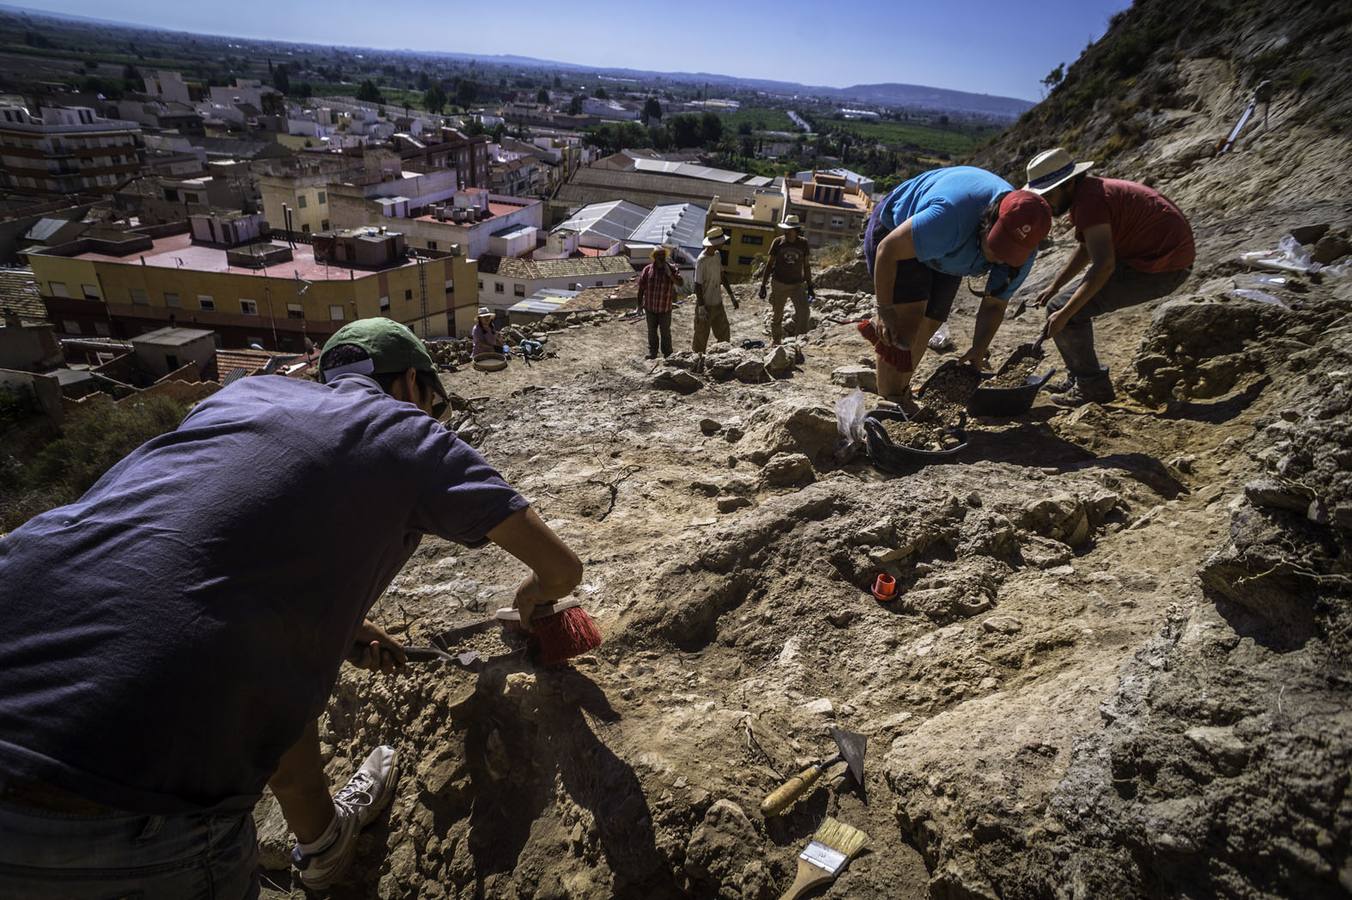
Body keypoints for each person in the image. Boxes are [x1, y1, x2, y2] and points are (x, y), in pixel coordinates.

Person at [0, 318, 584, 898]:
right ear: (412, 384)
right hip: (123, 806)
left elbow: (190, 550)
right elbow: (562, 569)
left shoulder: (243, 393)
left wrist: (336, 627)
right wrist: (533, 598)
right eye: (434, 404)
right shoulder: (408, 433)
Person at [863, 166, 1051, 413]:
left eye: (1009, 254)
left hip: (951, 256)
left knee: (930, 323)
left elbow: (995, 303)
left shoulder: (1024, 246)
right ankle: (890, 402)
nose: (999, 259)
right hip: (898, 235)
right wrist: (885, 310)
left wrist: (979, 348)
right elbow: (887, 250)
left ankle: (901, 392)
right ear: (988, 223)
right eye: (997, 247)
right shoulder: (949, 217)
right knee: (905, 323)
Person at [1023, 147, 1196, 406]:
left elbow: (1103, 265)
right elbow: (1087, 248)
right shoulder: (1090, 193)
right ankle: (1080, 377)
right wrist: (1055, 285)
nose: (1046, 201)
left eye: (1048, 193)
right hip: (1157, 257)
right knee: (1059, 304)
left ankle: (1092, 387)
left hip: (1162, 267)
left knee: (1062, 310)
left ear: (1068, 183)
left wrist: (1066, 312)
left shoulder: (1090, 202)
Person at [758, 214, 814, 345]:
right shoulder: (778, 242)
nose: (787, 232)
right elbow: (770, 264)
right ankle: (776, 341)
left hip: (797, 285)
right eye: (786, 230)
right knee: (777, 315)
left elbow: (806, 266)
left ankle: (799, 342)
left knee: (804, 313)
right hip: (779, 284)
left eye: (790, 230)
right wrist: (763, 285)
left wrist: (810, 286)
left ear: (796, 230)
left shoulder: (803, 243)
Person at [693, 227, 739, 352]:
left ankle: (722, 358)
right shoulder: (701, 261)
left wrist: (732, 296)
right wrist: (701, 307)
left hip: (717, 302)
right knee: (701, 337)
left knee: (724, 333)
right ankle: (698, 361)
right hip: (705, 304)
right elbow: (697, 285)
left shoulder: (717, 255)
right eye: (722, 241)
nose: (724, 243)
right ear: (716, 243)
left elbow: (722, 276)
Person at [636, 245, 683, 359]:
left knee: (665, 333)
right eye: (659, 255)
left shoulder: (672, 268)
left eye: (663, 255)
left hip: (665, 309)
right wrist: (639, 306)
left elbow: (680, 283)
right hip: (650, 308)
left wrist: (670, 274)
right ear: (654, 257)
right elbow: (641, 289)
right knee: (652, 332)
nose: (661, 257)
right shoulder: (647, 270)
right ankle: (653, 352)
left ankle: (668, 354)